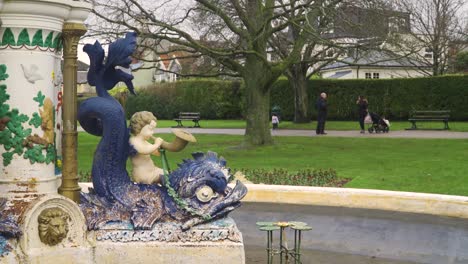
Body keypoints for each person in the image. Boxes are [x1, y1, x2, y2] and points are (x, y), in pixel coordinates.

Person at [129, 111, 165, 185]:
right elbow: (144, 150)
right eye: (150, 129)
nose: (152, 132)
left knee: (166, 173)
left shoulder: (144, 141)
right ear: (139, 127)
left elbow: (153, 151)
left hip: (151, 171)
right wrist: (157, 144)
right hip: (143, 175)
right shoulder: (134, 141)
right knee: (165, 175)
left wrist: (157, 149)